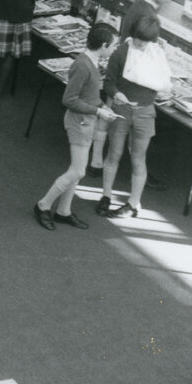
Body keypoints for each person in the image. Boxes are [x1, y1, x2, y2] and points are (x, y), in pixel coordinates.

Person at [87, 0, 174, 179]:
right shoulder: (149, 15)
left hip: (120, 66)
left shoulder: (138, 4)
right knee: (121, 122)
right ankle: (117, 164)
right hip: (130, 74)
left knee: (107, 113)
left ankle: (96, 162)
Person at [34, 23, 120, 231]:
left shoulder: (91, 61)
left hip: (86, 121)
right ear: (104, 45)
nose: (115, 49)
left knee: (76, 170)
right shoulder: (83, 65)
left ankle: (64, 211)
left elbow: (89, 95)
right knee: (78, 171)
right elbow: (69, 99)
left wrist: (101, 107)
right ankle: (43, 205)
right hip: (78, 122)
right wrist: (99, 111)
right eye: (114, 45)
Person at [97, 15, 172, 218]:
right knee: (114, 153)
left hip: (145, 112)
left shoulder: (157, 55)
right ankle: (105, 195)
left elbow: (163, 83)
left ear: (152, 41)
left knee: (139, 158)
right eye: (137, 39)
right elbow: (109, 82)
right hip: (122, 110)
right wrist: (116, 94)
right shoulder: (121, 52)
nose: (139, 44)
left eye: (144, 41)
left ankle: (133, 204)